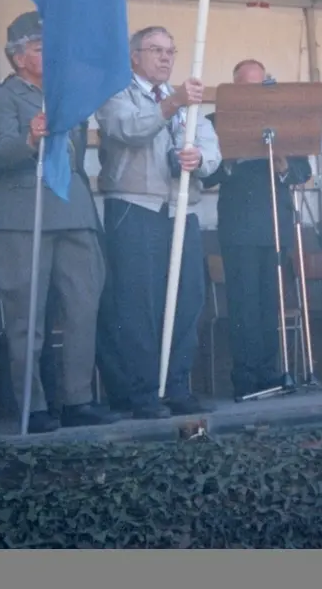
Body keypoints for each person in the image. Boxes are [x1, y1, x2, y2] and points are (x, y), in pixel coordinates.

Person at [0, 12, 117, 433]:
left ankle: (78, 399)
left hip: (72, 210)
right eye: (41, 48)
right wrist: (29, 139)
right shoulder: (1, 97)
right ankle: (32, 405)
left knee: (83, 308)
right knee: (26, 315)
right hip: (23, 213)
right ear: (18, 58)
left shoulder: (65, 94)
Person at [94, 26, 221, 418]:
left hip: (181, 207)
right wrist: (172, 104)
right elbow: (128, 129)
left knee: (187, 299)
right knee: (138, 305)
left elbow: (212, 147)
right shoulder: (116, 91)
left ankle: (177, 385)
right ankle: (142, 392)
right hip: (135, 207)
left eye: (171, 50)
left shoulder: (186, 100)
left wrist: (198, 159)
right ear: (134, 56)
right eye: (156, 50)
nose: (166, 58)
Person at [201, 59, 313, 397]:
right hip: (238, 225)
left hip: (275, 223)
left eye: (260, 85)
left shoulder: (280, 121)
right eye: (247, 86)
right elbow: (206, 177)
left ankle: (269, 371)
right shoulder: (215, 122)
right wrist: (230, 162)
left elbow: (302, 171)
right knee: (244, 303)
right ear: (234, 88)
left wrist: (283, 168)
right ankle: (245, 375)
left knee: (270, 301)